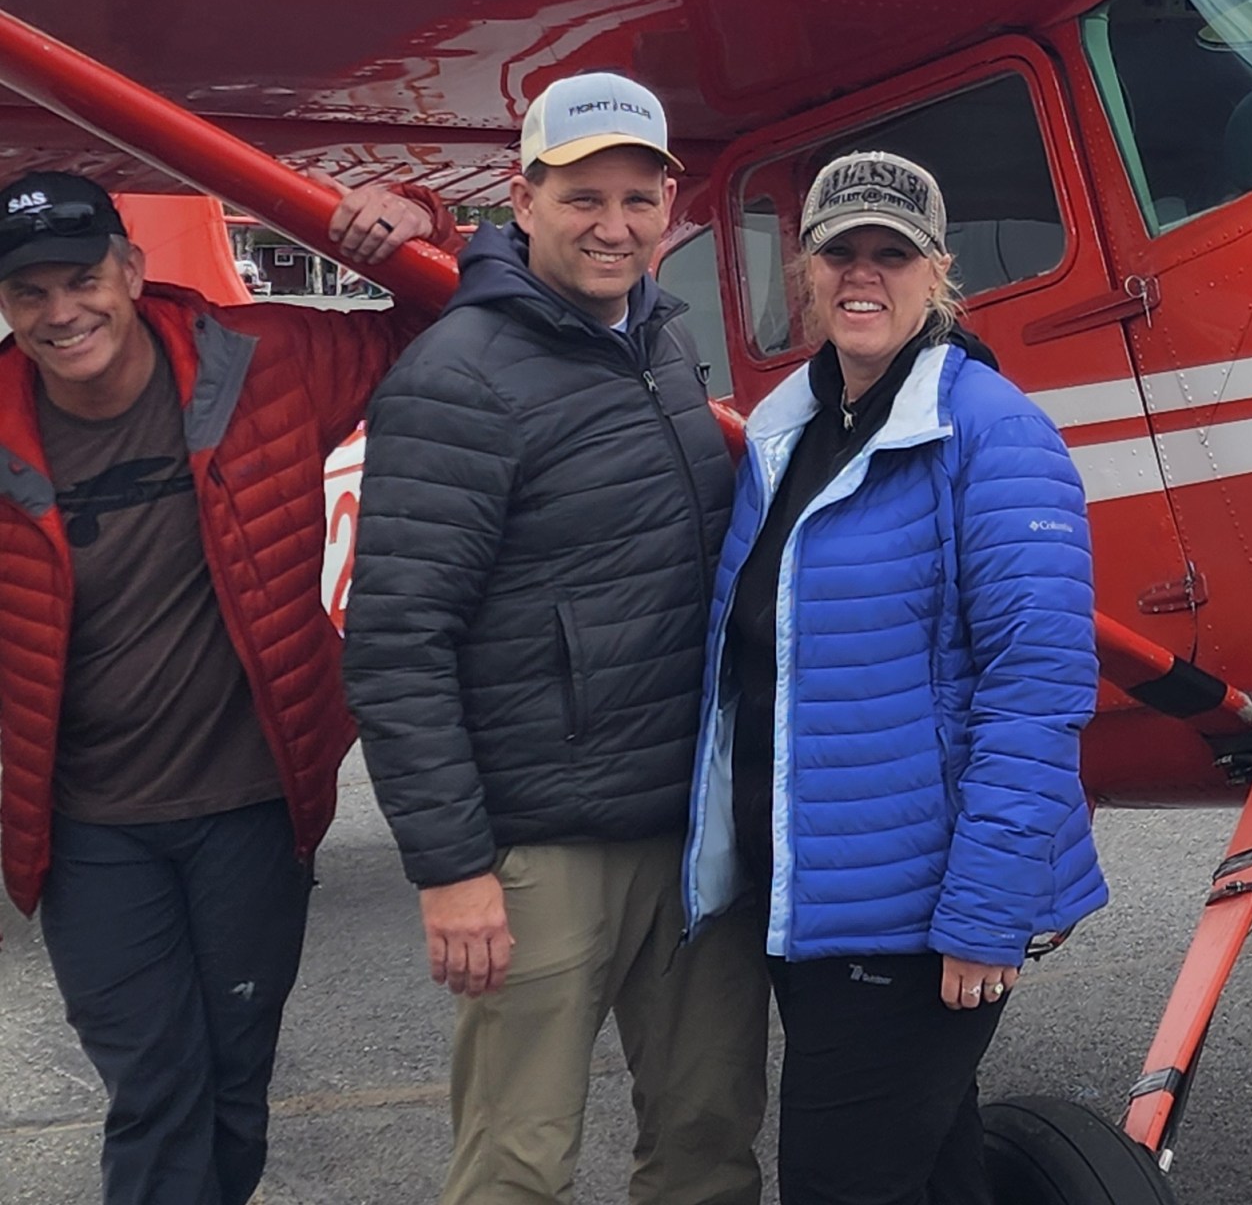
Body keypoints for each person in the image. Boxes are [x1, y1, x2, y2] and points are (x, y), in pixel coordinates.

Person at [342, 72, 767, 1205]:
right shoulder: (457, 377)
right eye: (583, 196)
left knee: (709, 1137)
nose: (613, 226)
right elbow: (397, 641)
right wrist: (453, 871)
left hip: (689, 831)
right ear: (520, 199)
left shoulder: (663, 348)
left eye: (638, 198)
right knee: (518, 1163)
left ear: (669, 207)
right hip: (543, 847)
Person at [0, 168, 459, 1205]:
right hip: (89, 830)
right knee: (155, 1090)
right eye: (30, 293)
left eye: (81, 278)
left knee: (232, 1085)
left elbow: (443, 316)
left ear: (131, 268)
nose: (62, 312)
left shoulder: (260, 363)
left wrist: (415, 219)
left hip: (251, 809)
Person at [682, 150, 1108, 1205]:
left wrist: (984, 912)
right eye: (840, 252)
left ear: (938, 273)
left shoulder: (994, 432)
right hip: (815, 902)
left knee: (838, 1182)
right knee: (931, 1175)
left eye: (893, 253)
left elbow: (1038, 684)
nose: (863, 274)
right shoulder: (789, 434)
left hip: (916, 920)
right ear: (807, 275)